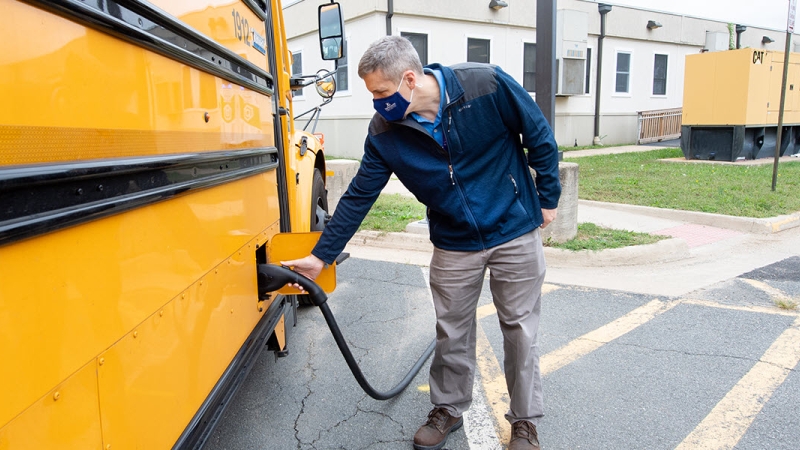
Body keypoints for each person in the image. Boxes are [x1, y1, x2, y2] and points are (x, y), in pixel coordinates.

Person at [283, 35, 560, 450]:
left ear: (409, 79)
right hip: (453, 241)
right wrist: (321, 256)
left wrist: (548, 199)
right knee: (451, 331)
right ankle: (447, 408)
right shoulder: (385, 131)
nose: (376, 102)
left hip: (513, 229)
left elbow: (538, 135)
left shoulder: (485, 86)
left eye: (380, 92)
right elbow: (361, 193)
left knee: (520, 330)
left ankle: (524, 421)